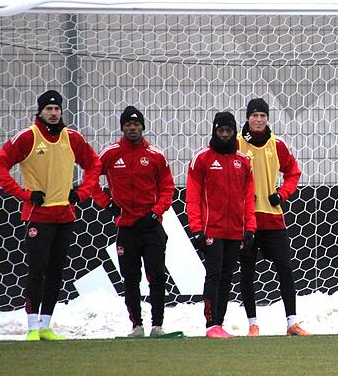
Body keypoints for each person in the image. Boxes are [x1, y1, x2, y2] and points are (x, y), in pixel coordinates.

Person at [0, 90, 102, 341]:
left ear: (62, 111)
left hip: (64, 215)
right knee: (36, 269)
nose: (53, 113)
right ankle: (31, 326)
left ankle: (46, 324)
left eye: (57, 109)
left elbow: (95, 164)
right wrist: (24, 194)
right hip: (37, 214)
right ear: (40, 111)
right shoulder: (27, 137)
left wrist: (82, 192)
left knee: (56, 271)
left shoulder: (72, 137)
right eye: (49, 109)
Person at [91, 106, 175, 338]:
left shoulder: (155, 155)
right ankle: (136, 325)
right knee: (130, 279)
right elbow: (90, 179)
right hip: (126, 228)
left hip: (151, 227)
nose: (132, 128)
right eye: (128, 125)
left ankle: (157, 325)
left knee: (156, 275)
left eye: (136, 125)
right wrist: (106, 204)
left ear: (143, 127)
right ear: (122, 128)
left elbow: (167, 187)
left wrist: (157, 211)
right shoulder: (110, 153)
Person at [236, 98, 309, 337]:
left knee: (285, 270)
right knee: (247, 272)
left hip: (273, 218)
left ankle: (292, 323)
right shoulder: (236, 144)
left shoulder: (276, 144)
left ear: (267, 118)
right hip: (246, 220)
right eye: (254, 115)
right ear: (247, 118)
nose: (258, 119)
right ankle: (252, 324)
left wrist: (282, 193)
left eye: (262, 115)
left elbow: (293, 172)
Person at [187, 111, 256, 339]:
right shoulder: (202, 159)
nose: (225, 135)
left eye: (228, 131)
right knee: (213, 275)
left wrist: (250, 228)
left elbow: (248, 198)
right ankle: (210, 324)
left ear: (234, 132)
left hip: (235, 230)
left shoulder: (243, 162)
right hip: (212, 230)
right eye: (221, 131)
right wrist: (196, 228)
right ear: (215, 131)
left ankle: (219, 324)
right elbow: (193, 197)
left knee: (227, 277)